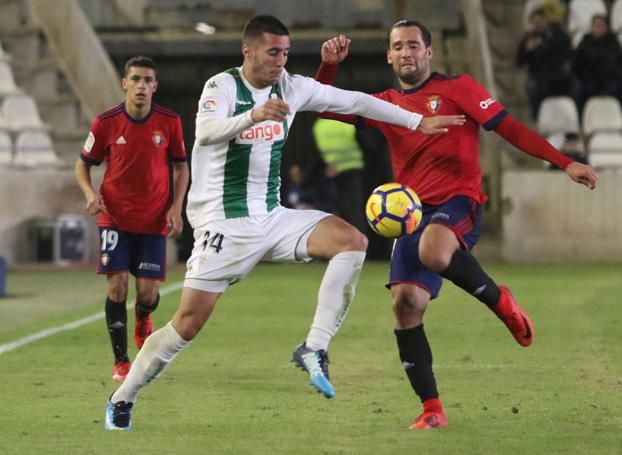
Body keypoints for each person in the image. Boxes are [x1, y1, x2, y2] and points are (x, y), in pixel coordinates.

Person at [103, 15, 465, 431]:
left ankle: (314, 347)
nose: (281, 61)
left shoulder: (292, 86)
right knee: (187, 324)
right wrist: (253, 116)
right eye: (273, 52)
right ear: (249, 51)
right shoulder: (222, 87)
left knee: (352, 241)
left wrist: (416, 121)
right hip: (224, 224)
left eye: (286, 53)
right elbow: (205, 131)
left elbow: (356, 101)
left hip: (273, 217)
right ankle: (123, 397)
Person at [315, 21, 598, 430]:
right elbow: (324, 105)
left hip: (458, 201)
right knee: (406, 305)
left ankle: (500, 301)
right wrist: (328, 68)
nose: (406, 52)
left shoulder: (459, 88)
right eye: (398, 47)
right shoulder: (386, 103)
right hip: (410, 213)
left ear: (429, 53)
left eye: (414, 45)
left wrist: (564, 162)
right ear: (389, 56)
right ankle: (432, 409)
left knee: (434, 250)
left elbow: (510, 129)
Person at [75, 56, 189, 381]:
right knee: (117, 286)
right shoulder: (106, 122)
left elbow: (181, 166)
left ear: (155, 86)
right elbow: (83, 164)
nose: (141, 86)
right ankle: (121, 360)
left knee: (149, 293)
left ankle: (143, 317)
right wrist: (89, 194)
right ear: (124, 83)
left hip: (153, 219)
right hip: (114, 216)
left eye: (147, 80)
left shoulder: (169, 122)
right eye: (135, 79)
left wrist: (175, 207)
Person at [516, 8, 573, 119]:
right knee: (532, 87)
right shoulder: (528, 39)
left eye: (540, 21)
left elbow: (567, 50)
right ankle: (537, 118)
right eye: (535, 22)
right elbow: (519, 63)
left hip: (557, 73)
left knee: (572, 84)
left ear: (546, 21)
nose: (538, 24)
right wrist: (527, 50)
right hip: (537, 75)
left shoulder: (557, 35)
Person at [313, 118, 368, 234]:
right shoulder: (348, 121)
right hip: (353, 171)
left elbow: (315, 153)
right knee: (356, 212)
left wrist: (325, 168)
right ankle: (362, 246)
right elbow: (368, 143)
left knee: (336, 211)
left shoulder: (318, 126)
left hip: (332, 173)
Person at [572, 14, 622, 114]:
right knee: (580, 88)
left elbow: (619, 62)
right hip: (589, 80)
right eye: (596, 25)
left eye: (602, 25)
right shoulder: (585, 42)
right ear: (592, 27)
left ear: (606, 27)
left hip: (611, 80)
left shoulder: (613, 42)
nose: (599, 28)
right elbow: (577, 64)